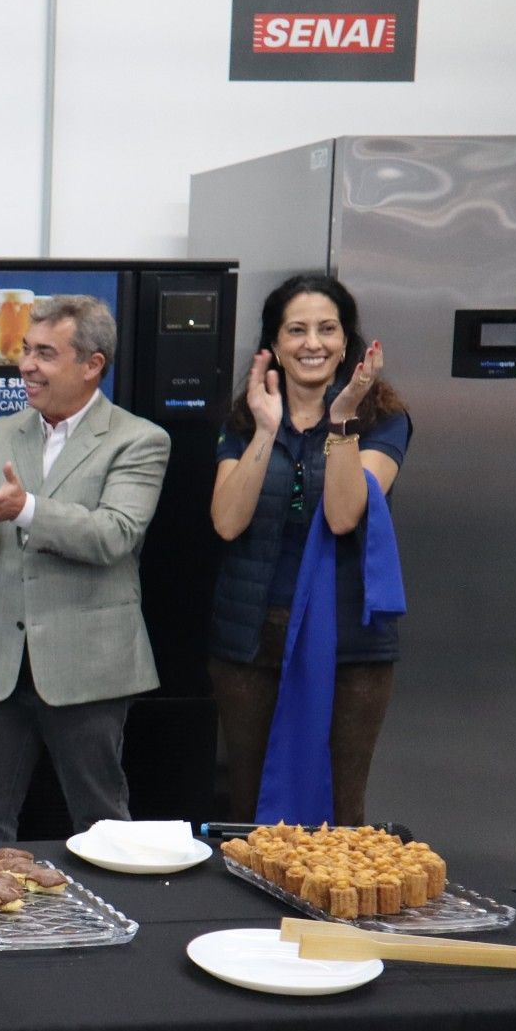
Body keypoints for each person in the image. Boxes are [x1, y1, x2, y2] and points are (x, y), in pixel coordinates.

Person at [0, 295, 169, 843]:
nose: (27, 366)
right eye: (26, 350)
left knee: (101, 822)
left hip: (90, 663)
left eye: (45, 354)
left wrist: (25, 508)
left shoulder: (139, 439)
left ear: (92, 365)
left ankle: (110, 904)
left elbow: (114, 534)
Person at [208, 274, 410, 825]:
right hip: (251, 640)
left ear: (347, 342)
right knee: (251, 811)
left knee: (339, 814)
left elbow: (344, 515)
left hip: (349, 644)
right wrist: (265, 431)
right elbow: (227, 522)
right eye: (296, 330)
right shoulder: (246, 417)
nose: (312, 343)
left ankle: (333, 891)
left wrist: (341, 421)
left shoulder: (383, 419)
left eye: (327, 329)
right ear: (275, 344)